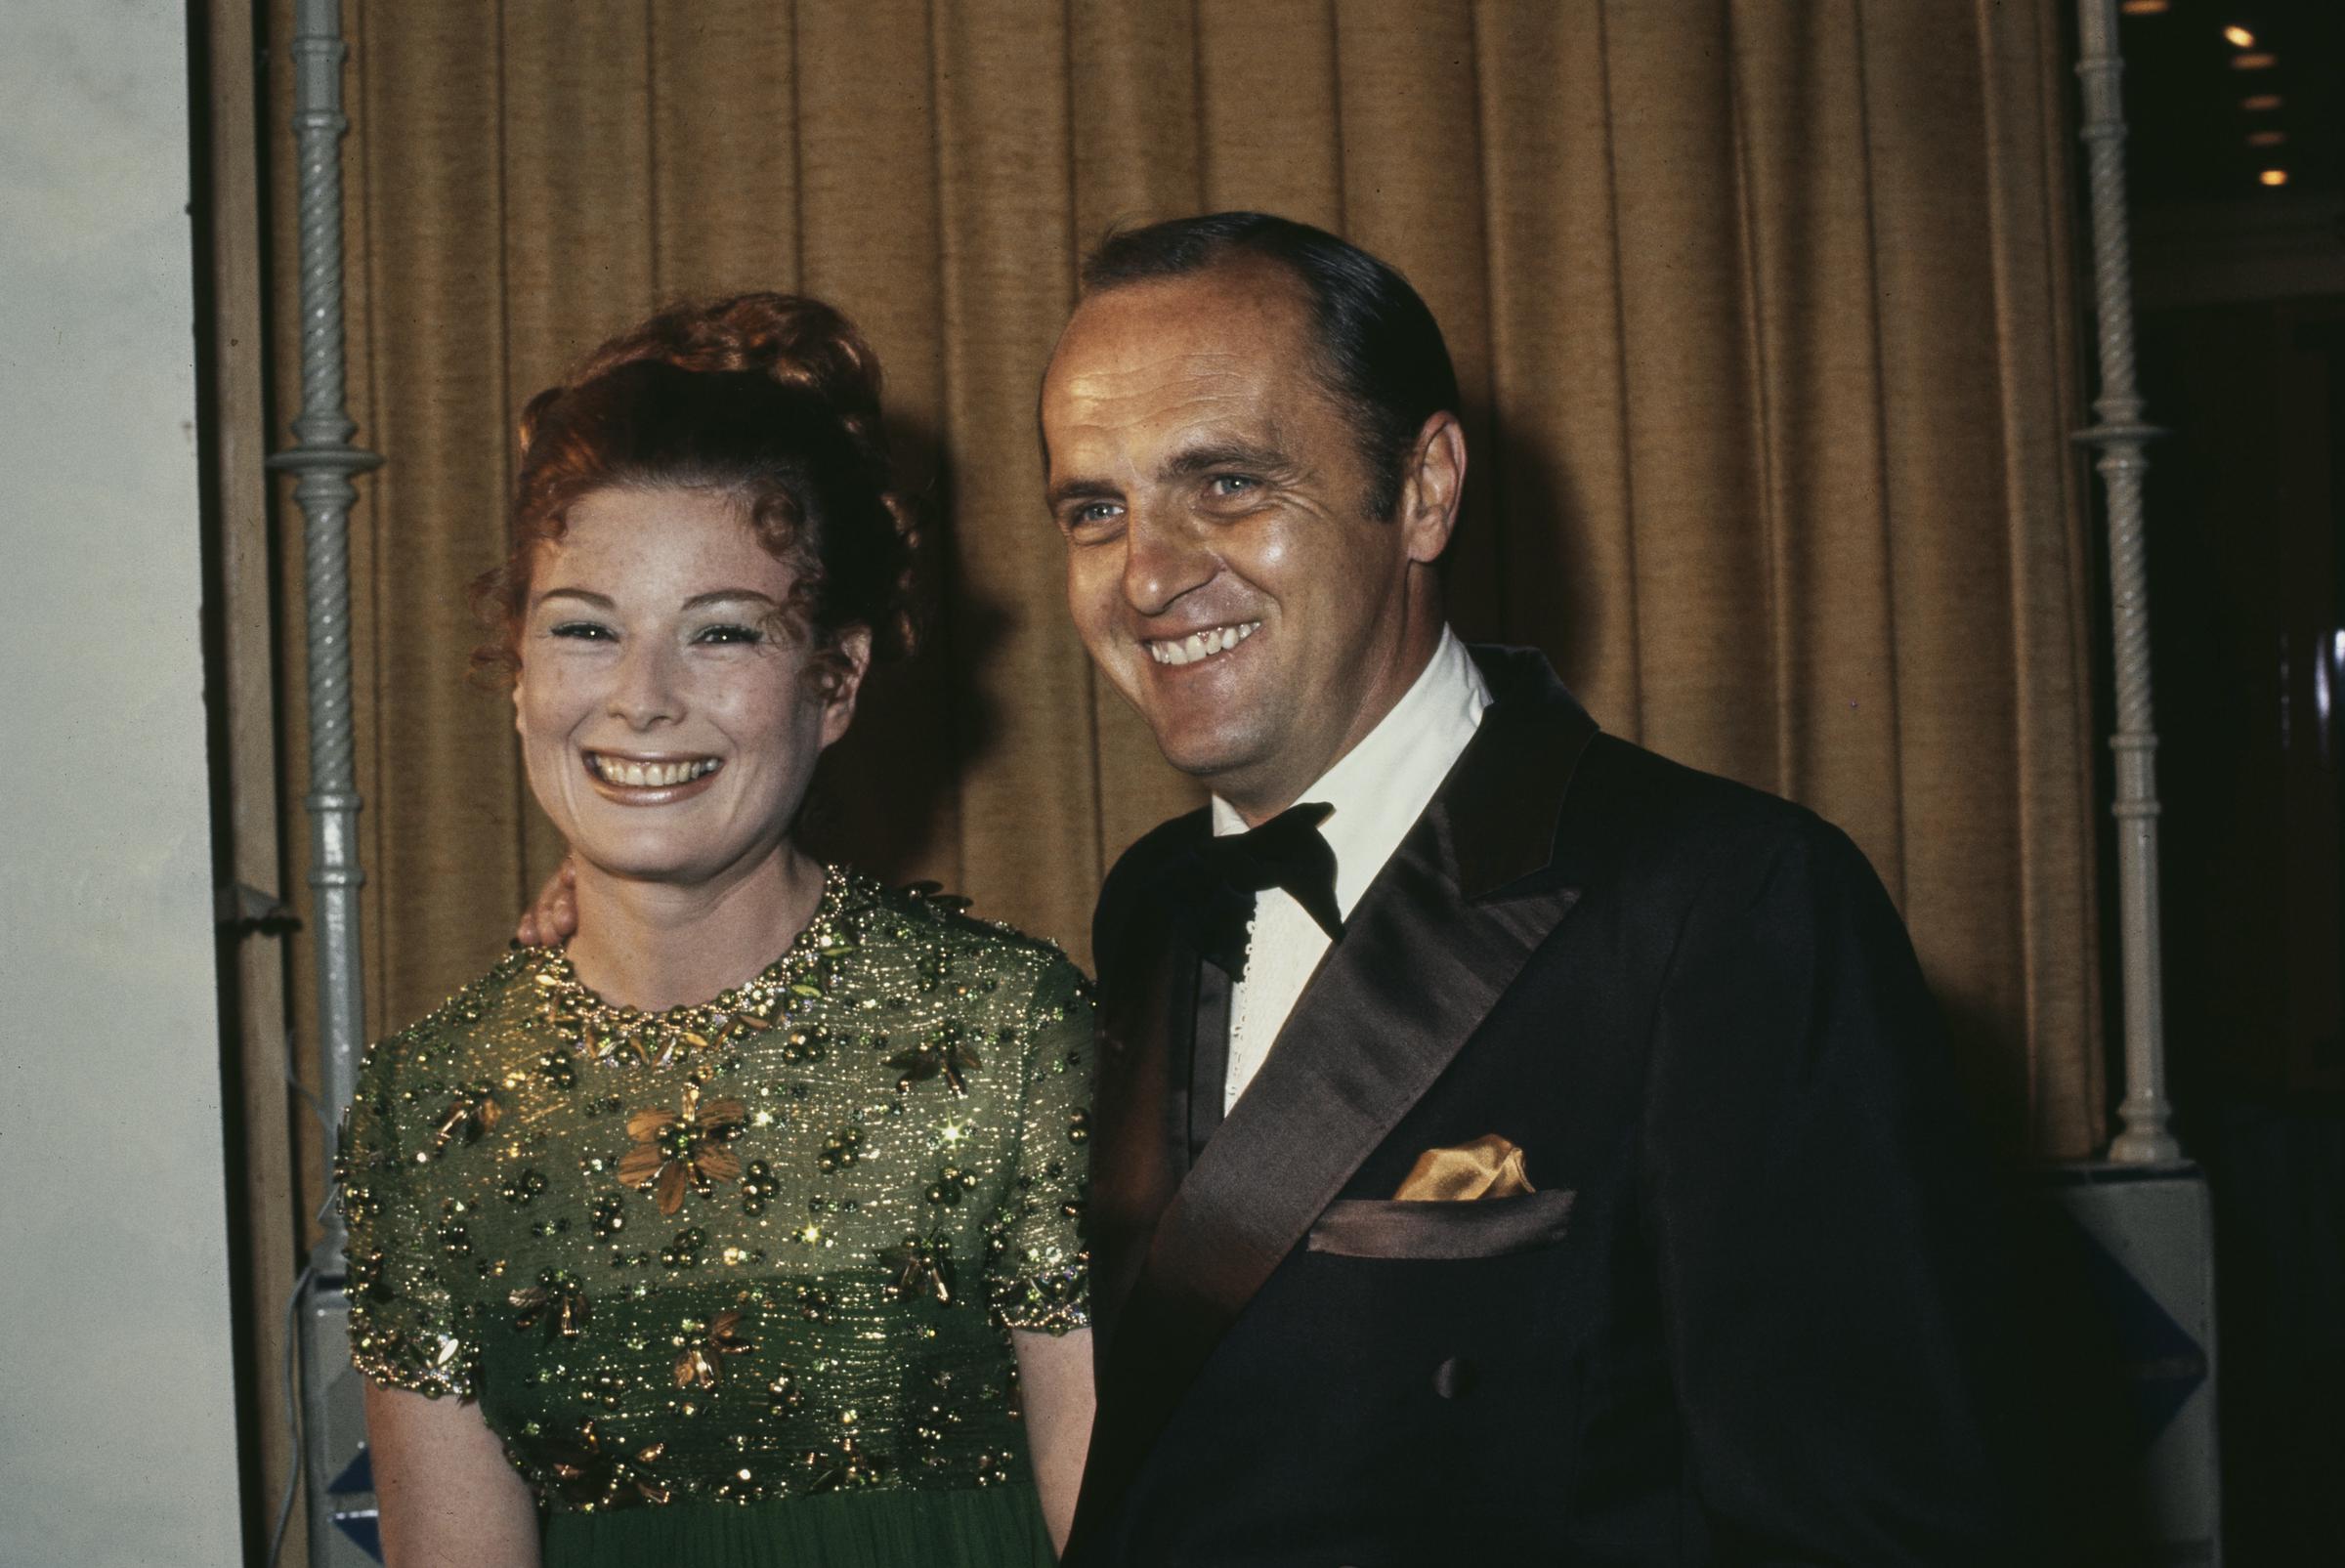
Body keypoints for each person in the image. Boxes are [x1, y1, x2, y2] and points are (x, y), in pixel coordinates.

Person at [1041, 214, 2024, 1563]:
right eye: (1097, 507)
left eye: (1226, 484)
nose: (1148, 574)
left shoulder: (1727, 904)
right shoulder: (1153, 898)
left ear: (1426, 488)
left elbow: (1865, 1528)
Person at [343, 294, 1094, 1568]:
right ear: (519, 666)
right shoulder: (430, 1108)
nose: (643, 699)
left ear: (837, 679)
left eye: (724, 631)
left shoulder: (1008, 1034)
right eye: (587, 626)